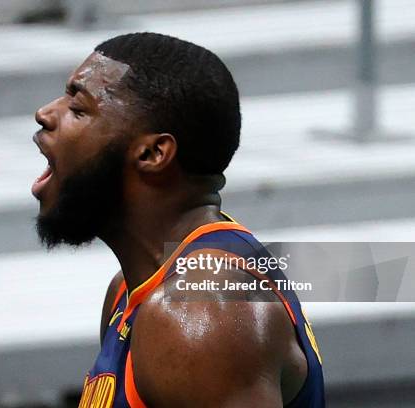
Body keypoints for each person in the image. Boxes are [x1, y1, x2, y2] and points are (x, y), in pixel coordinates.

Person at [31, 32, 324, 407]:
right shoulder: (132, 290)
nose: (45, 113)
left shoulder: (200, 318)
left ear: (153, 153)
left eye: (79, 108)